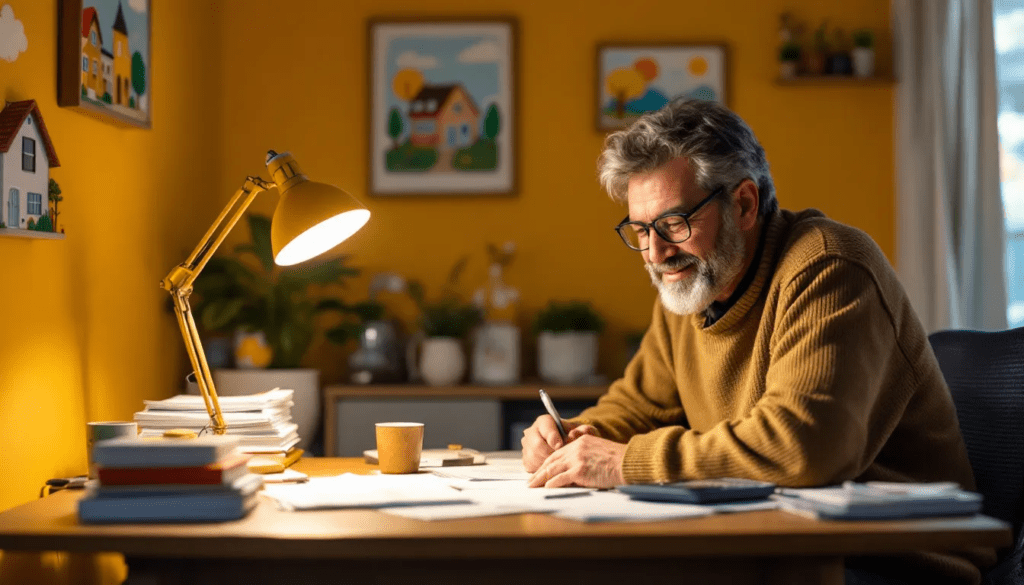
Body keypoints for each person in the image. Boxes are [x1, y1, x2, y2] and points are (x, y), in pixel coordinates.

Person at [520, 99, 994, 584]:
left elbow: (802, 446)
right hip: (774, 545)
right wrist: (574, 437)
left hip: (890, 561)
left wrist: (627, 462)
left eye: (674, 224)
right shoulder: (691, 289)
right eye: (640, 230)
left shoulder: (828, 269)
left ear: (743, 204)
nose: (656, 253)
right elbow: (638, 408)